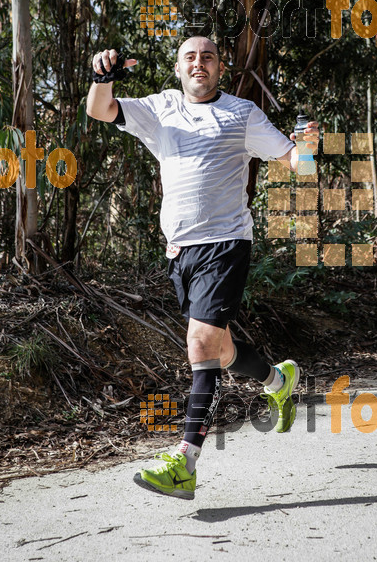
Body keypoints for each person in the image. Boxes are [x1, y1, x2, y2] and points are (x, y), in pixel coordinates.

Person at [86, 36, 319, 500]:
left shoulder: (242, 113)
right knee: (223, 350)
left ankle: (185, 463)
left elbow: (299, 166)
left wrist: (309, 145)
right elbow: (99, 110)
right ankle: (279, 379)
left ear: (220, 68)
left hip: (226, 243)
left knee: (200, 343)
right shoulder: (161, 107)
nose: (199, 63)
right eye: (190, 57)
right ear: (179, 69)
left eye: (208, 57)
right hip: (180, 250)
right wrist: (101, 76)